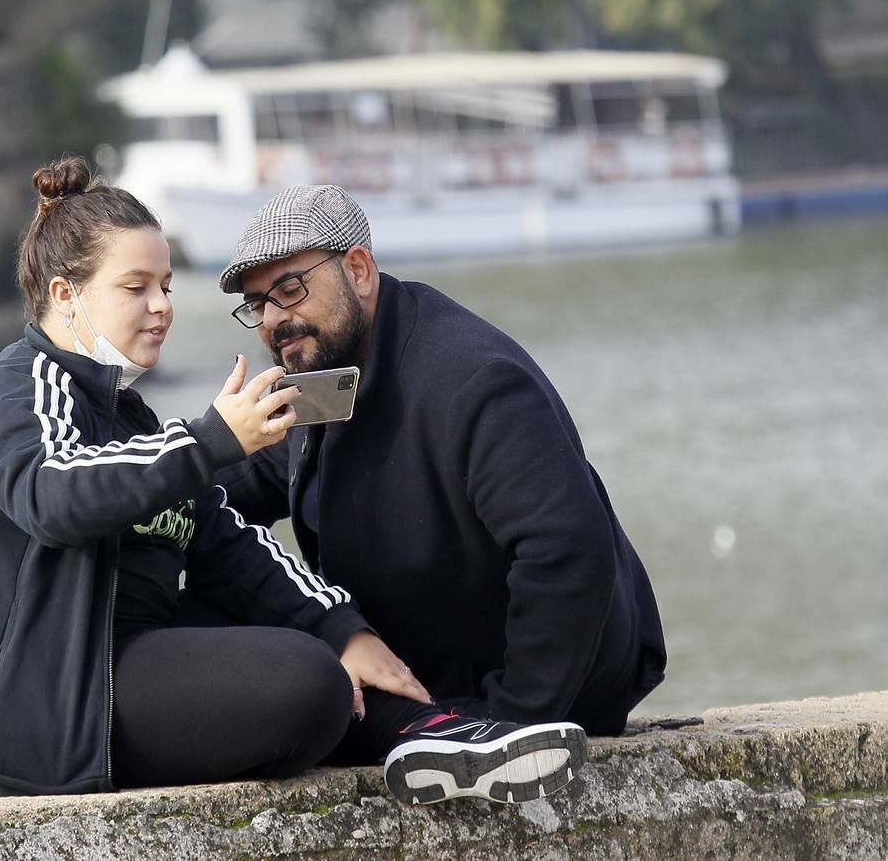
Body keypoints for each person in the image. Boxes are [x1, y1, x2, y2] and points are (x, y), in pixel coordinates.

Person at [0, 157, 471, 800]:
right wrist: (212, 439)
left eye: (168, 286)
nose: (161, 307)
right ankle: (416, 732)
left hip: (123, 670)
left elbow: (222, 537)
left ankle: (435, 735)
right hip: (35, 717)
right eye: (136, 288)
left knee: (341, 648)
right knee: (307, 682)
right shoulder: (12, 393)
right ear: (66, 295)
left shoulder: (127, 415)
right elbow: (54, 494)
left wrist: (345, 628)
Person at [216, 185, 665, 787]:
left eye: (290, 290)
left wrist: (514, 722)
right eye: (257, 304)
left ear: (359, 269)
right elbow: (228, 492)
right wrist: (181, 461)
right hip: (428, 684)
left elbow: (565, 548)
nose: (274, 320)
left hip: (541, 690)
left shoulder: (472, 379)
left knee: (307, 711)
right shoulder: (323, 378)